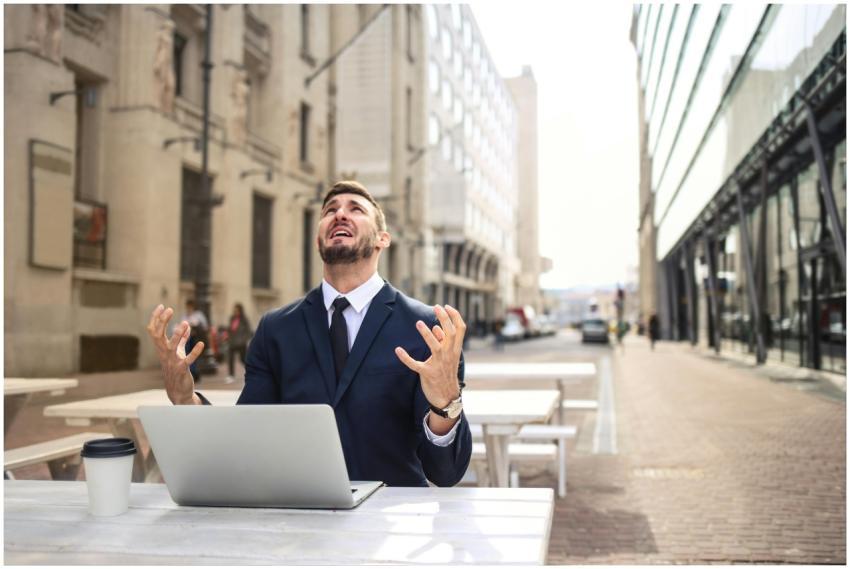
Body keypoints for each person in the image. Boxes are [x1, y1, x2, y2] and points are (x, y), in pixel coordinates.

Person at [147, 181, 472, 487]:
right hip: (298, 518)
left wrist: (446, 403)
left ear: (382, 239)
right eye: (330, 210)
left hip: (389, 524)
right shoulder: (275, 329)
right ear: (318, 239)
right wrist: (184, 399)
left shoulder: (428, 329)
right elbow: (246, 439)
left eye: (355, 209)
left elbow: (445, 472)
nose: (340, 213)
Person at [178, 299, 208, 381]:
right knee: (187, 355)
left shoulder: (198, 315)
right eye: (187, 307)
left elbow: (205, 326)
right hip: (187, 339)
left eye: (190, 307)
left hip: (196, 338)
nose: (188, 308)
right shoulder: (184, 316)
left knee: (195, 355)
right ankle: (190, 372)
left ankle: (194, 373)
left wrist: (196, 325)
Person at [226, 302, 253, 382]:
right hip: (232, 342)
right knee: (230, 359)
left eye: (237, 310)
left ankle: (251, 372)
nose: (235, 311)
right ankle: (231, 375)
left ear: (240, 310)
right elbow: (230, 329)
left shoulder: (244, 319)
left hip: (241, 343)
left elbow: (248, 331)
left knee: (243, 359)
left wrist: (244, 340)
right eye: (234, 310)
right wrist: (228, 337)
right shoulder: (232, 318)